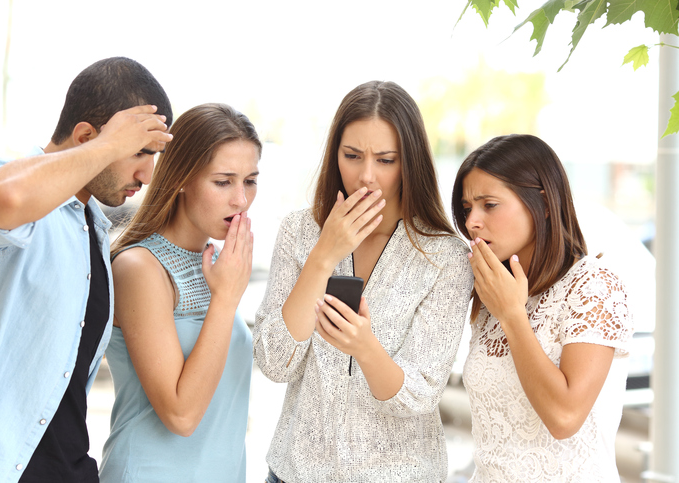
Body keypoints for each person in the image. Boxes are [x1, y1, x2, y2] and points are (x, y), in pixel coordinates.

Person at [0, 57, 172, 483]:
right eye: (140, 152)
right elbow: (9, 199)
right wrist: (108, 147)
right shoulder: (2, 181)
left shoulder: (91, 227)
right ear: (87, 136)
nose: (148, 174)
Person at [253, 80, 473, 482]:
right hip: (296, 472)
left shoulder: (445, 257)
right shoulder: (300, 232)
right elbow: (273, 362)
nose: (366, 176)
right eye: (351, 156)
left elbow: (420, 396)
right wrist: (323, 256)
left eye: (386, 160)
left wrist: (365, 348)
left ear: (410, 163)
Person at [451, 134, 634, 481]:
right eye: (466, 208)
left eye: (489, 205)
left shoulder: (594, 286)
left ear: (545, 203)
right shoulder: (494, 293)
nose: (472, 221)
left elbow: (564, 418)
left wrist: (512, 316)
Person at [98, 103, 260, 483]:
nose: (241, 199)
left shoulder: (218, 265)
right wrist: (225, 298)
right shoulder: (139, 267)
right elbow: (181, 415)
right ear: (182, 178)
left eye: (250, 180)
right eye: (223, 181)